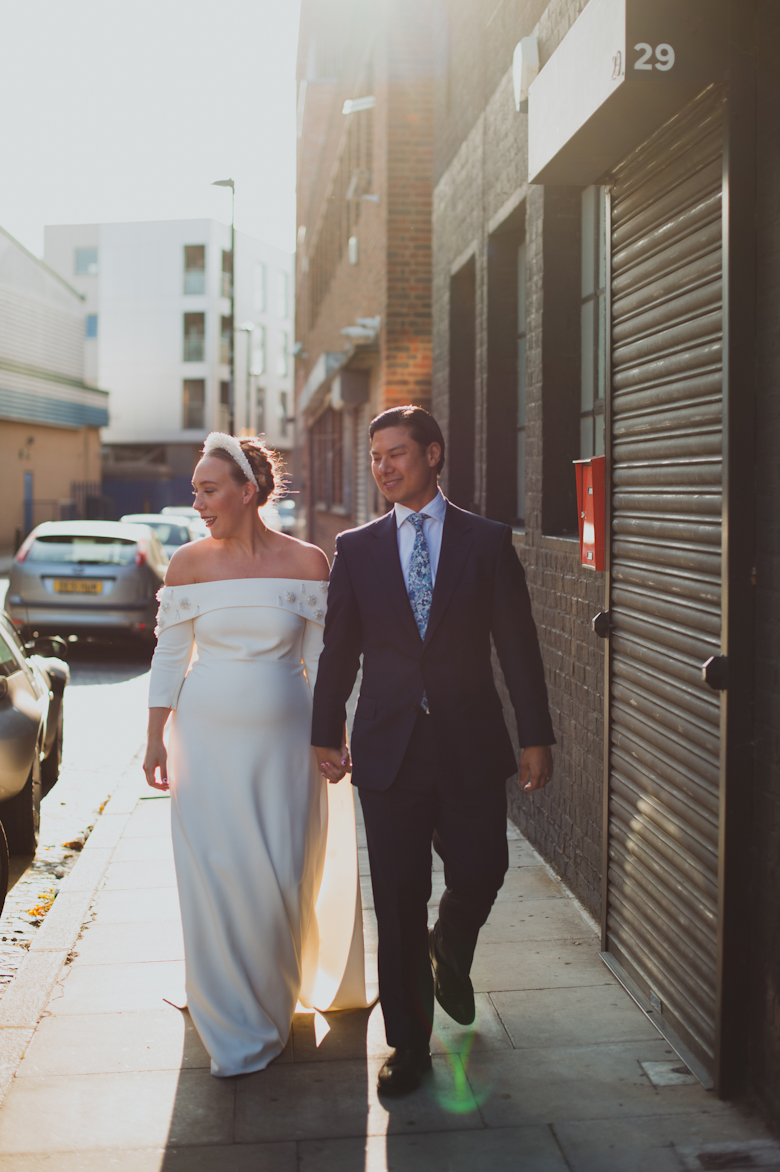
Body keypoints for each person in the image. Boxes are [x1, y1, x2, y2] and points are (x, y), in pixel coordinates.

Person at [312, 405, 555, 1096]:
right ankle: (410, 1048)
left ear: (434, 455)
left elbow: (517, 644)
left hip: (469, 742)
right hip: (388, 748)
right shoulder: (357, 548)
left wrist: (535, 734)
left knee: (482, 869)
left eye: (397, 453)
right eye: (375, 457)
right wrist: (324, 731)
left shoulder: (485, 541)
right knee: (397, 897)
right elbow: (339, 650)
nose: (384, 467)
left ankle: (449, 944)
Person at [143, 432, 368, 1078]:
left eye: (208, 491)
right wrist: (155, 735)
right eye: (195, 492)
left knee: (279, 870)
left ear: (248, 493)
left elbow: (324, 660)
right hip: (204, 743)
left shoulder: (307, 564)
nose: (199, 503)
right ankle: (230, 1017)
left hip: (286, 745)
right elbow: (167, 657)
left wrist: (335, 734)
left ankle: (274, 991)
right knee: (217, 873)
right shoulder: (187, 564)